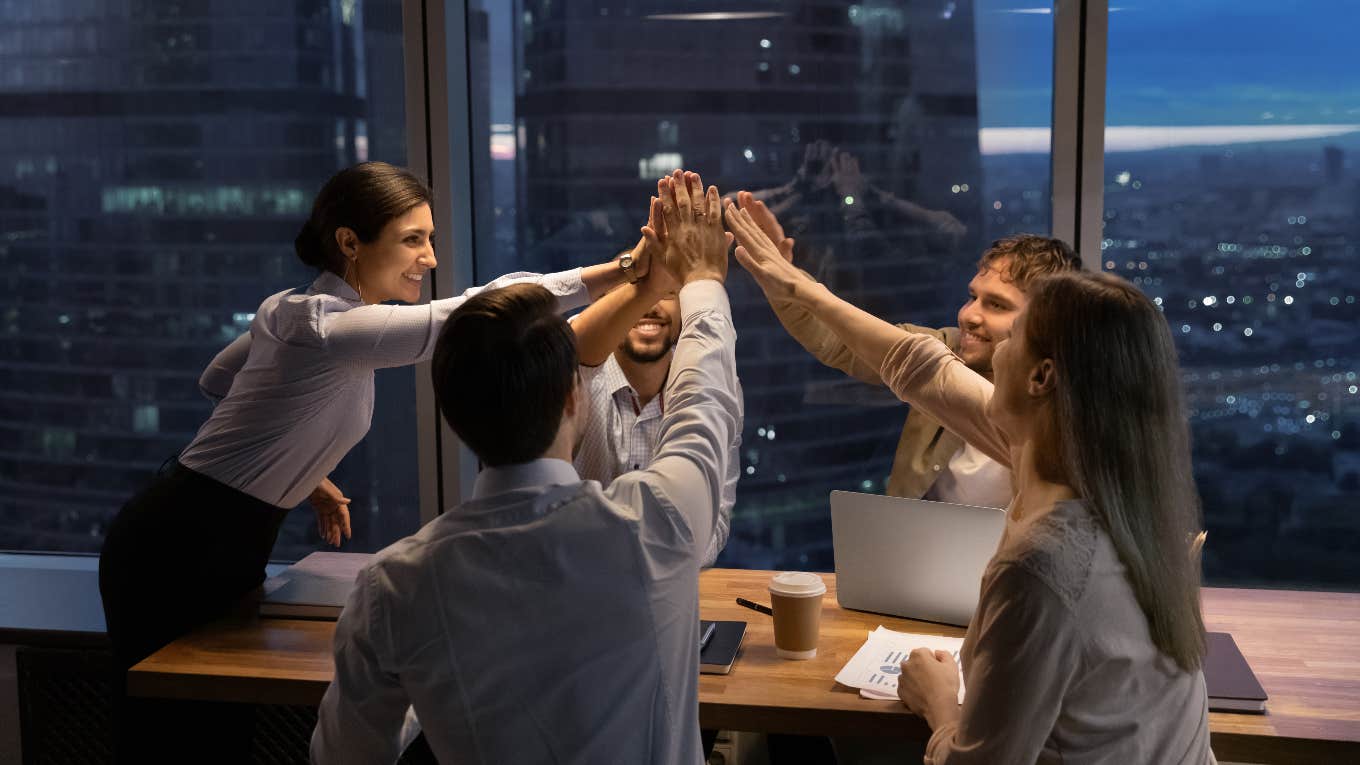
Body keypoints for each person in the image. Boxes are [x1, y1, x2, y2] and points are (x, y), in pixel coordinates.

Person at [97, 161, 644, 761]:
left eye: (429, 238)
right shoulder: (323, 325)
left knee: (213, 736)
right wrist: (624, 270)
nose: (430, 258)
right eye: (413, 239)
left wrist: (301, 470)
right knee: (169, 740)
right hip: (175, 543)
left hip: (220, 537)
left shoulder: (290, 312)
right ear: (350, 243)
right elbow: (477, 313)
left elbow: (218, 379)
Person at [728, 202, 1213, 763]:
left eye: (1016, 330)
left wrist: (940, 704)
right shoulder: (1112, 485)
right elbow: (919, 367)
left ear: (1041, 377)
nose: (975, 338)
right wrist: (795, 284)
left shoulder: (1044, 564)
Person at [311, 170, 740, 764]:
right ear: (574, 397)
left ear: (454, 418)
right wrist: (704, 280)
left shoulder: (394, 589)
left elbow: (343, 758)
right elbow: (706, 399)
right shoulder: (657, 522)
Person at [739, 190, 1079, 508]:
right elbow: (838, 340)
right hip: (917, 559)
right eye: (972, 297)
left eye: (997, 305)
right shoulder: (950, 347)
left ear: (1045, 324)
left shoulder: (1074, 416)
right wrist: (779, 278)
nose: (970, 315)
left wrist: (795, 286)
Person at [569, 195, 741, 566]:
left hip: (671, 595)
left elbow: (716, 522)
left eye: (668, 292)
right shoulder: (574, 382)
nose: (652, 305)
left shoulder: (707, 380)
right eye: (637, 294)